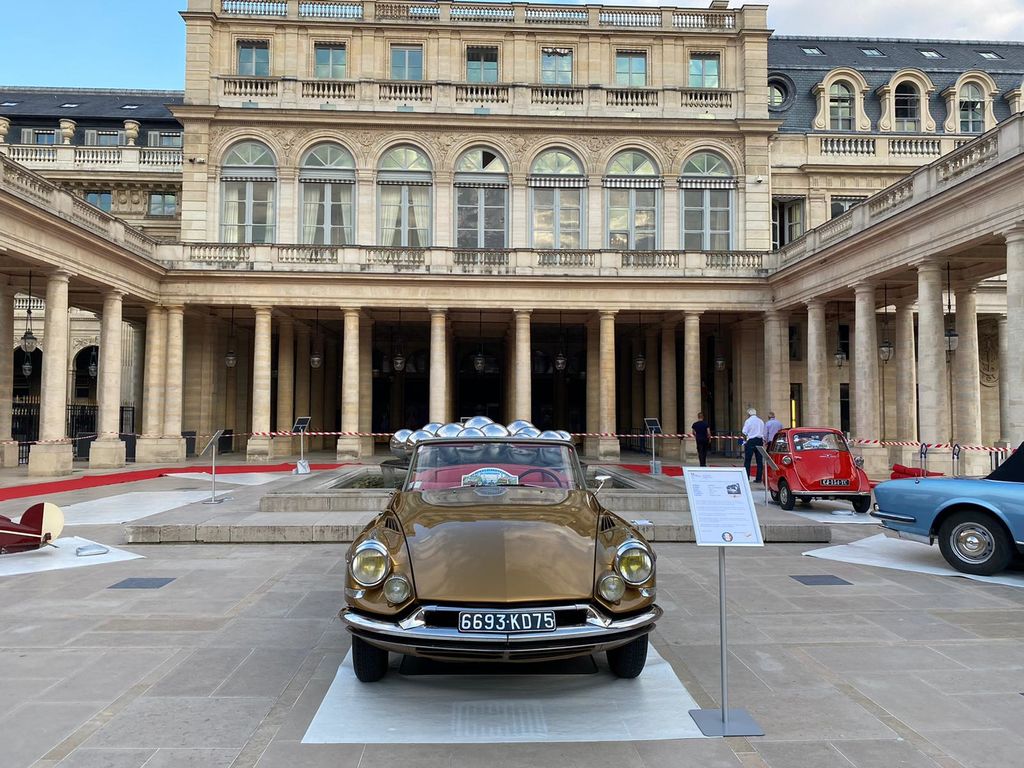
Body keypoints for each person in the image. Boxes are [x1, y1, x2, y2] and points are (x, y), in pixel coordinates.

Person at [742, 407, 766, 483]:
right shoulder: (761, 421)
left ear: (749, 414)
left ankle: (747, 477)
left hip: (751, 441)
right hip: (759, 441)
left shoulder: (748, 421)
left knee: (747, 460)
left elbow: (744, 431)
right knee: (759, 461)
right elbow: (763, 431)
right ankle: (758, 478)